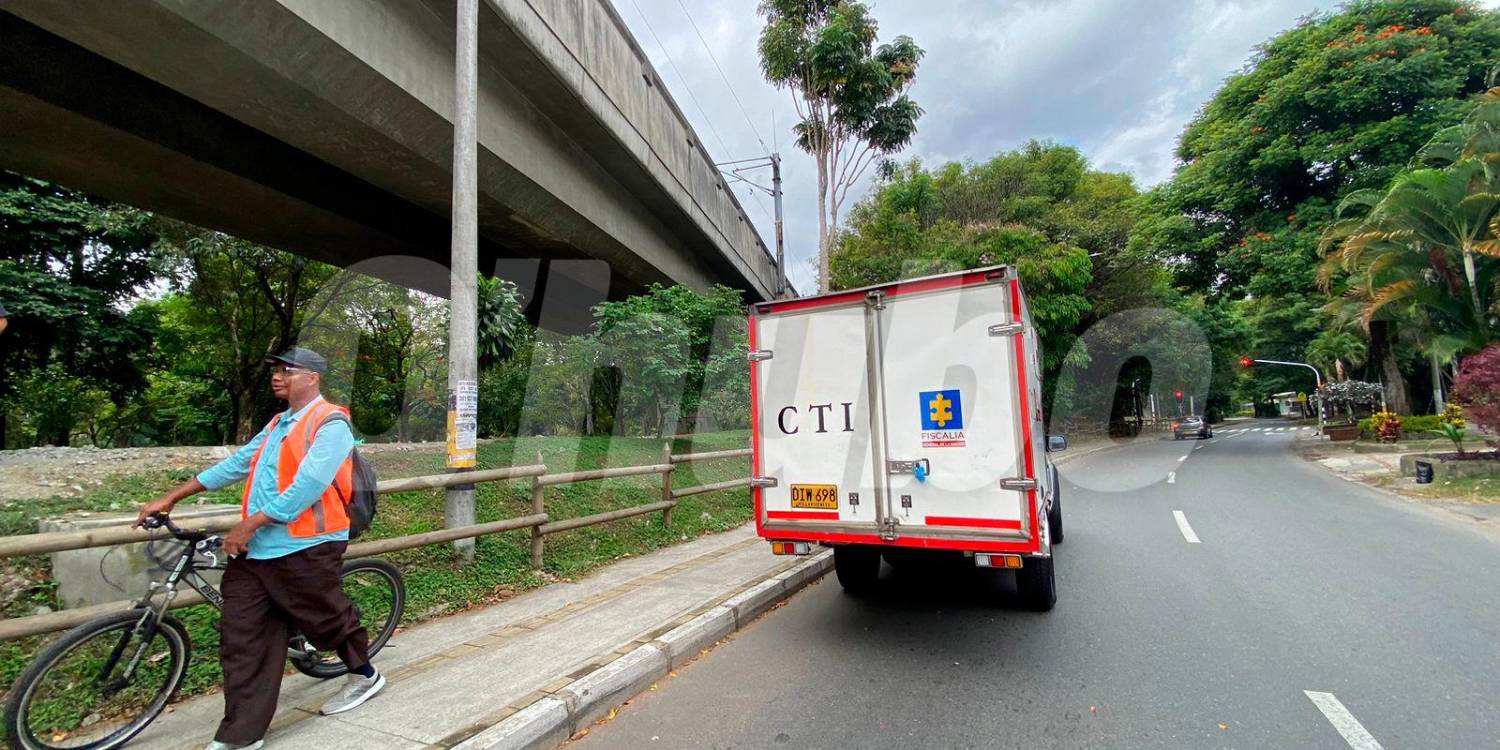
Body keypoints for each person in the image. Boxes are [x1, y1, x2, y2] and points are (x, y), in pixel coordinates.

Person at [135, 348, 383, 750]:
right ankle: (241, 734)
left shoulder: (330, 422)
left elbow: (308, 486)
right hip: (256, 551)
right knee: (242, 637)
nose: (278, 377)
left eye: (288, 370)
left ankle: (365, 675)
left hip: (308, 545)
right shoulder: (276, 424)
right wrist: (172, 497)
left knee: (326, 619)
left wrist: (249, 524)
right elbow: (235, 466)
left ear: (313, 378)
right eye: (276, 370)